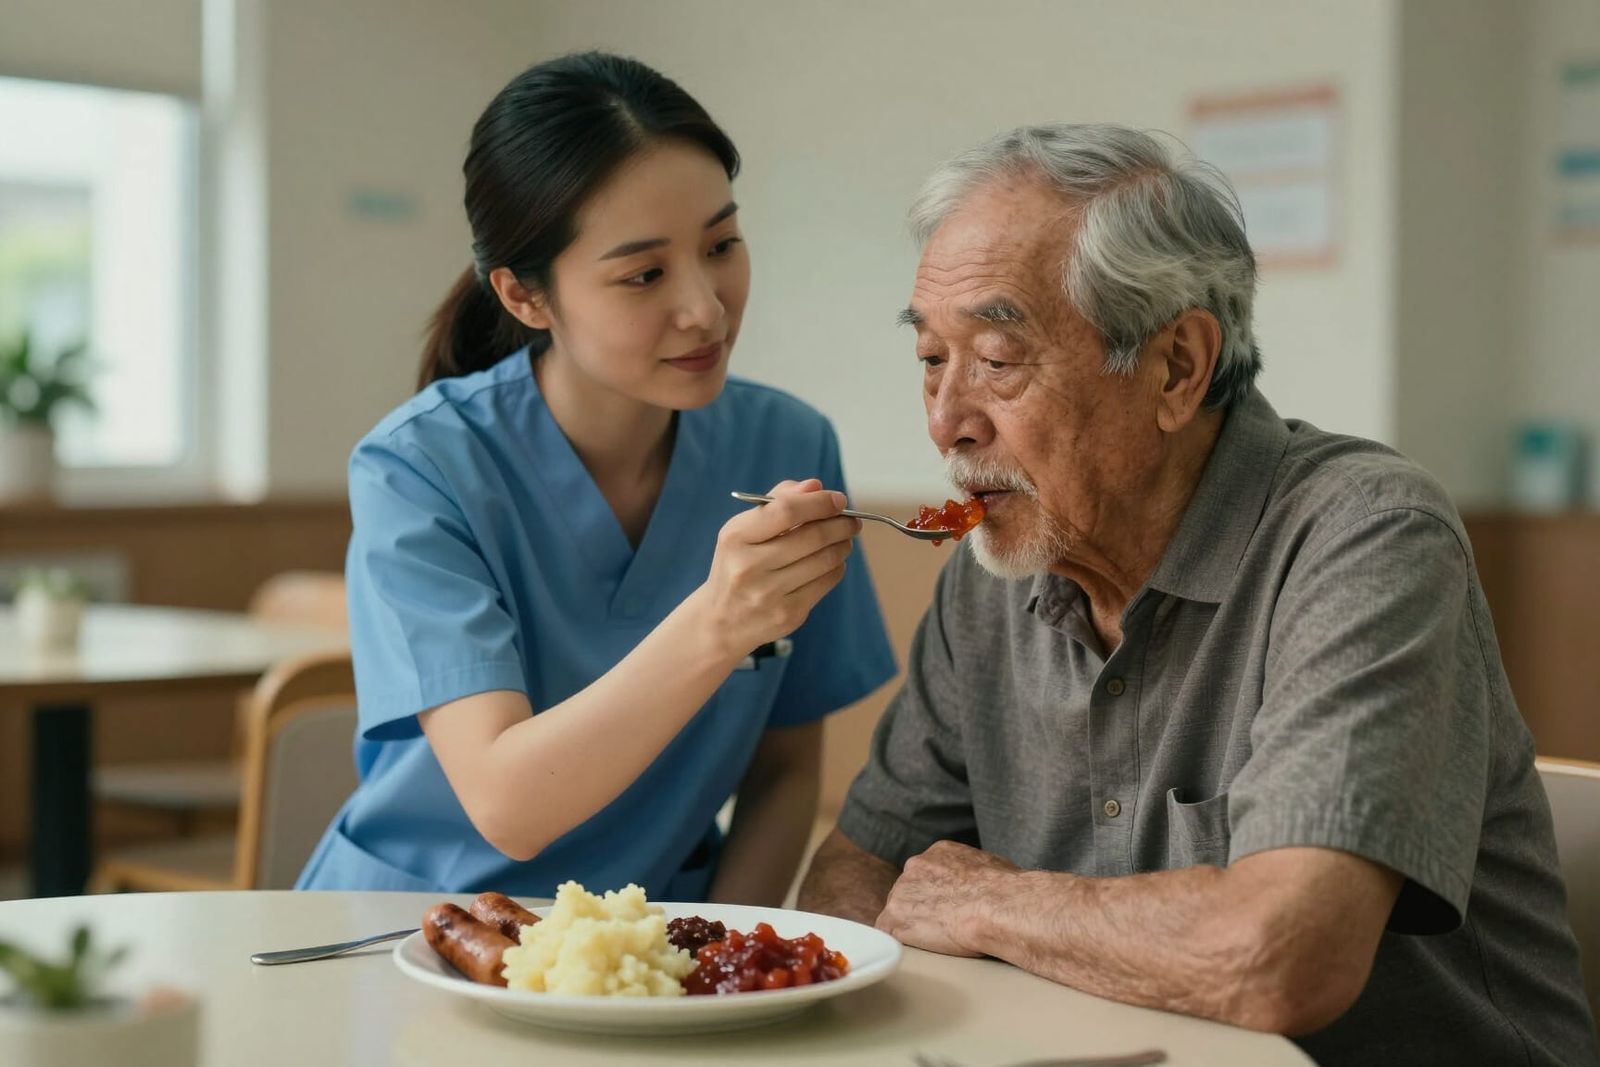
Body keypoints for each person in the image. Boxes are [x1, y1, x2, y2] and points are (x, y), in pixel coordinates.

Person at [799, 123, 1597, 1066]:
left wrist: (990, 901)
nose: (946, 422)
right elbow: (853, 878)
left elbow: (1282, 958)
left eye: (998, 360)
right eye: (932, 358)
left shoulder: (1367, 536)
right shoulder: (992, 579)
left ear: (1177, 367)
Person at [296, 52, 895, 904]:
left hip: (647, 949)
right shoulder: (419, 470)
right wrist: (720, 623)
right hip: (410, 936)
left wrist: (727, 971)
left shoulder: (787, 443)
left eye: (721, 244)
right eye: (644, 274)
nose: (705, 307)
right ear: (524, 296)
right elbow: (509, 803)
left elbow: (786, 769)